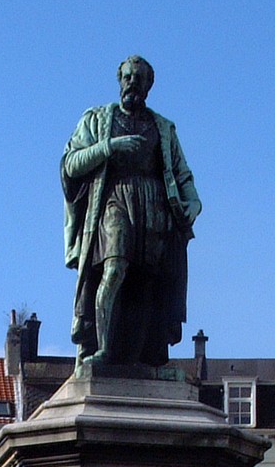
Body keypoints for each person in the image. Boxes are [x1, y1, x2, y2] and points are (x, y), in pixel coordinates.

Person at [62, 56, 201, 368]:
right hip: (113, 201)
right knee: (113, 271)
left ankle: (143, 358)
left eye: (139, 78)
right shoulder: (96, 120)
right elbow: (70, 165)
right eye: (127, 77)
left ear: (149, 85)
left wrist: (193, 203)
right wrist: (109, 147)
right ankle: (102, 350)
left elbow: (182, 175)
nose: (132, 83)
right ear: (119, 80)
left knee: (147, 284)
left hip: (154, 206)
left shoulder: (163, 128)